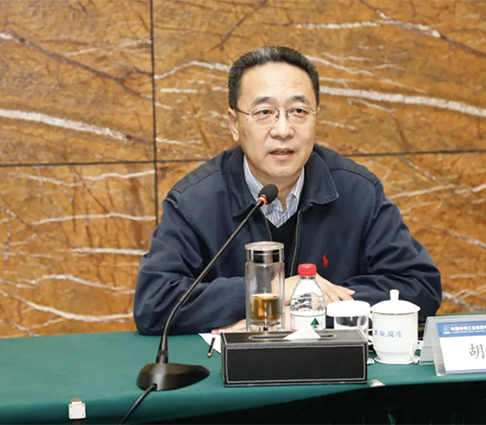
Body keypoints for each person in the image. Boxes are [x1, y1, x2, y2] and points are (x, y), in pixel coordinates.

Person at [134, 46, 442, 335]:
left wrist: (300, 311)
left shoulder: (358, 192)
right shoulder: (194, 201)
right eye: (264, 112)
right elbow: (155, 303)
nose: (283, 130)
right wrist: (272, 290)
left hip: (336, 371)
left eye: (298, 111)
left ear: (315, 117)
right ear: (234, 124)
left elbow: (419, 286)